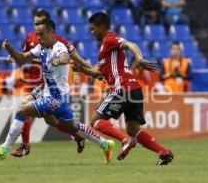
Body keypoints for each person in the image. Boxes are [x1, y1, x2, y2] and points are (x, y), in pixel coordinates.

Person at [0, 19, 115, 164]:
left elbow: (65, 57)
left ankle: (4, 148)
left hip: (55, 99)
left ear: (52, 33)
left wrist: (59, 61)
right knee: (73, 126)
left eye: (42, 34)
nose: (39, 38)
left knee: (22, 109)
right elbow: (21, 59)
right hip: (54, 96)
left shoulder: (59, 48)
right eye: (37, 35)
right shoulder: (41, 48)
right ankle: (105, 143)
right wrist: (10, 49)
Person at [74, 12, 174, 165]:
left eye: (93, 29)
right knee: (133, 129)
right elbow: (97, 72)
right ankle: (164, 153)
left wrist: (139, 58)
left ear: (102, 27)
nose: (91, 32)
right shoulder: (103, 48)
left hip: (122, 87)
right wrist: (81, 68)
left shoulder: (109, 39)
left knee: (96, 121)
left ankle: (125, 141)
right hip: (134, 89)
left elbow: (130, 44)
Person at [10, 10, 90, 157]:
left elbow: (77, 59)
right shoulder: (30, 38)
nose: (37, 27)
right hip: (36, 82)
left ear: (47, 26)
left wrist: (92, 71)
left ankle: (25, 145)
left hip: (48, 85)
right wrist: (14, 57)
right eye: (35, 24)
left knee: (23, 107)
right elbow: (25, 57)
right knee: (51, 121)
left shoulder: (60, 42)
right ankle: (79, 136)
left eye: (40, 24)